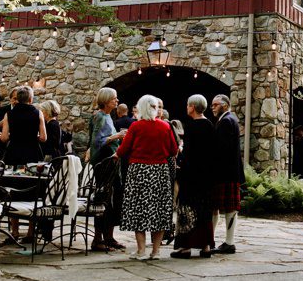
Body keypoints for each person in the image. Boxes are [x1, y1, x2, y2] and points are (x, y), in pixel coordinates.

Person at [118, 95, 179, 261]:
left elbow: (122, 150)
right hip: (160, 172)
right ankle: (156, 251)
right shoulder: (165, 127)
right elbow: (174, 150)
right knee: (158, 211)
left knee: (139, 211)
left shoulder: (136, 127)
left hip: (138, 172)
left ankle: (141, 250)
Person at [171, 95, 217, 259]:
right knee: (204, 211)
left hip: (191, 175)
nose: (186, 107)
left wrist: (180, 162)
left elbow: (189, 153)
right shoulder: (210, 125)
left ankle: (185, 247)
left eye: (188, 105)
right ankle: (205, 246)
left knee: (187, 210)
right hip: (206, 176)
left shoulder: (192, 126)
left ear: (192, 107)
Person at [88, 87, 127, 251]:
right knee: (104, 201)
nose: (116, 101)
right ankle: (98, 239)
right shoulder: (99, 117)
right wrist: (118, 136)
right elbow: (97, 142)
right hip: (104, 166)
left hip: (111, 164)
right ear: (105, 100)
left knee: (113, 201)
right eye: (114, 98)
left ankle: (109, 237)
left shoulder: (108, 117)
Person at [210, 95, 244, 254]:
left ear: (225, 105)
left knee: (222, 207)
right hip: (230, 171)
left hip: (224, 172)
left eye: (215, 105)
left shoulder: (225, 121)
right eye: (212, 105)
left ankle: (227, 242)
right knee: (223, 207)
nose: (212, 107)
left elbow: (221, 150)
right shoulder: (231, 119)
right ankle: (222, 241)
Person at [0, 86, 46, 166]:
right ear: (30, 99)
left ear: (18, 98)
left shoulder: (8, 114)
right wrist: (31, 137)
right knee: (32, 176)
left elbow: (4, 138)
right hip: (32, 152)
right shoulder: (38, 113)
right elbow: (43, 138)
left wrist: (15, 136)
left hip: (14, 153)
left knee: (13, 177)